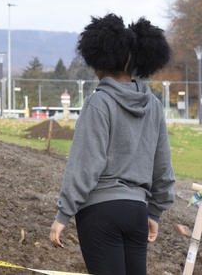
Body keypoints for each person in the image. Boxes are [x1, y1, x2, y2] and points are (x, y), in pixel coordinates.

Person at [49, 14, 174, 275]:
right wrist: (155, 212)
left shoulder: (99, 103)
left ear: (97, 59)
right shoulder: (154, 106)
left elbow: (85, 165)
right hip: (137, 212)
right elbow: (163, 167)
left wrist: (63, 214)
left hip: (100, 212)